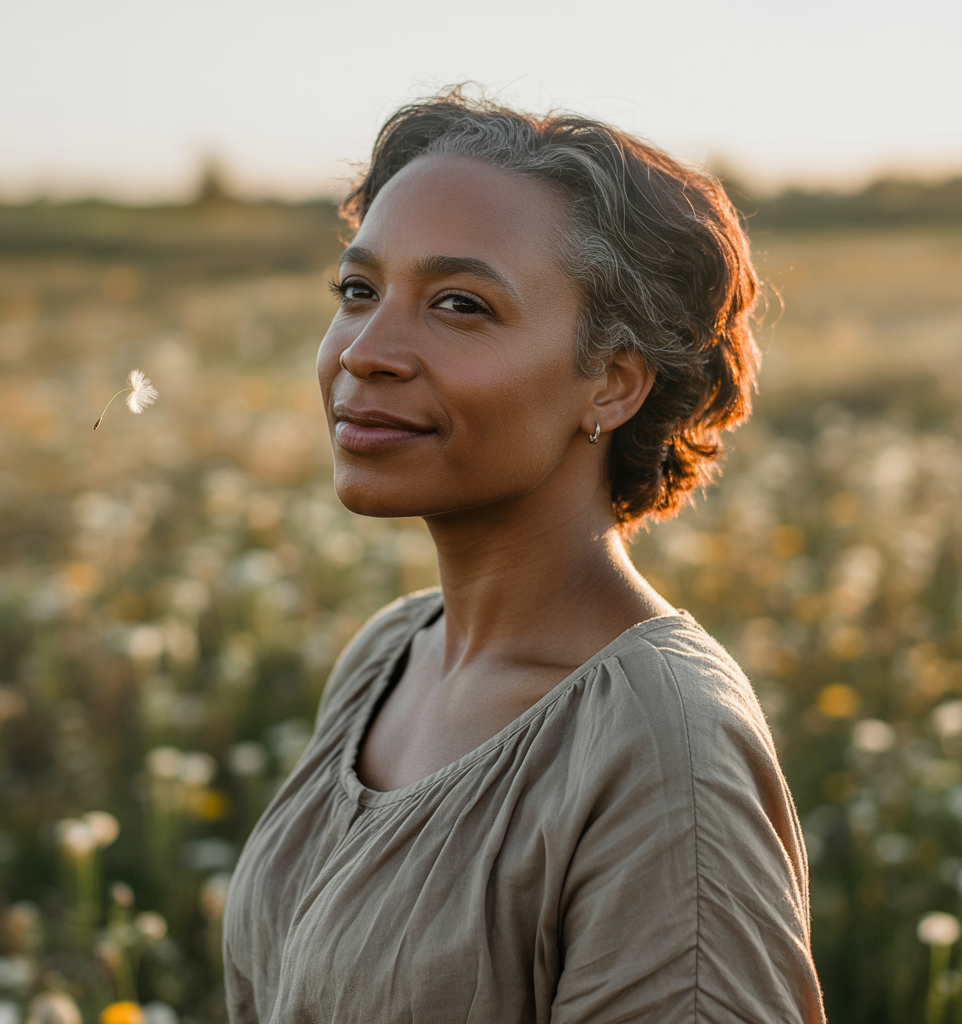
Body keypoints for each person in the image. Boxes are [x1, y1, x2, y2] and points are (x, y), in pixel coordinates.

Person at [223, 88, 826, 1023]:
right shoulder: (392, 655)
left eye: (460, 305)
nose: (366, 351)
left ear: (614, 382)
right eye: (358, 290)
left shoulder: (664, 747)